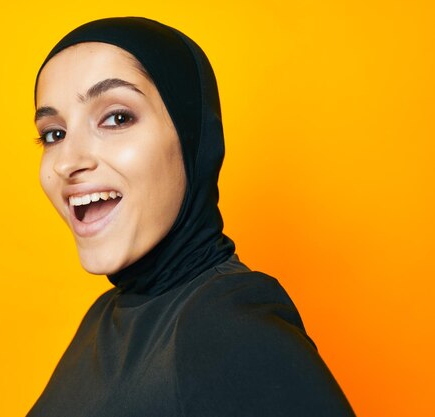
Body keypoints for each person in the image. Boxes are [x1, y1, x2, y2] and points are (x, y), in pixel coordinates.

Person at [28, 17, 355, 417]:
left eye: (116, 118)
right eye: (54, 134)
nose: (68, 162)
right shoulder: (104, 317)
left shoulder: (226, 323)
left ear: (192, 137)